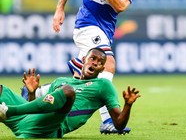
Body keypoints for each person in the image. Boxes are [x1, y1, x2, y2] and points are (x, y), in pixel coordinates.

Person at [52, 0, 147, 134]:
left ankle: (38, 93)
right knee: (108, 63)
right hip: (86, 25)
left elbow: (120, 5)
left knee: (80, 79)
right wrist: (60, 8)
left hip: (105, 32)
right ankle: (108, 121)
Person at [0, 47, 140, 138]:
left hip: (48, 128)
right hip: (25, 121)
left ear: (102, 68)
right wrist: (32, 93)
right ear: (84, 60)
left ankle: (8, 111)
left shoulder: (103, 85)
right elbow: (36, 108)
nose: (95, 63)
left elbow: (119, 125)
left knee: (68, 91)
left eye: (100, 62)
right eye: (93, 58)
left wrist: (127, 105)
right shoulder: (61, 80)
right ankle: (8, 111)